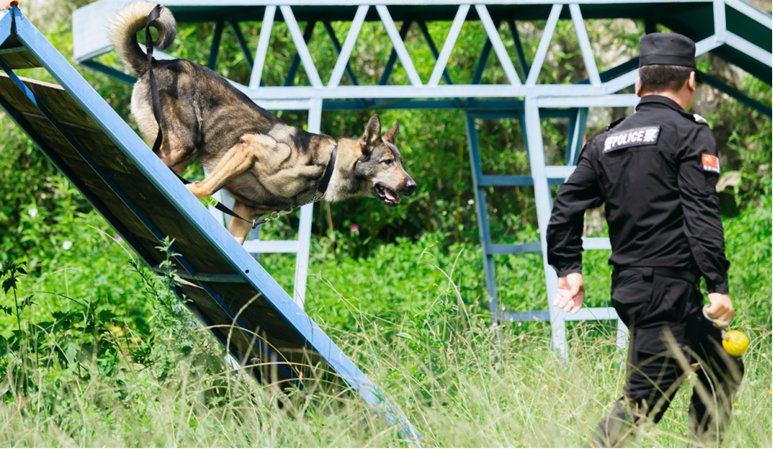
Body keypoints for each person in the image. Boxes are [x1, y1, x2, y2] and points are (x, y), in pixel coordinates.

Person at [545, 33, 744, 447]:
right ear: (691, 81)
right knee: (640, 406)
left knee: (724, 367)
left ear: (638, 85)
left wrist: (569, 268)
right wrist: (718, 285)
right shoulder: (690, 134)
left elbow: (565, 206)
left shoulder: (605, 142)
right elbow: (701, 212)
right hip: (665, 294)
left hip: (642, 290)